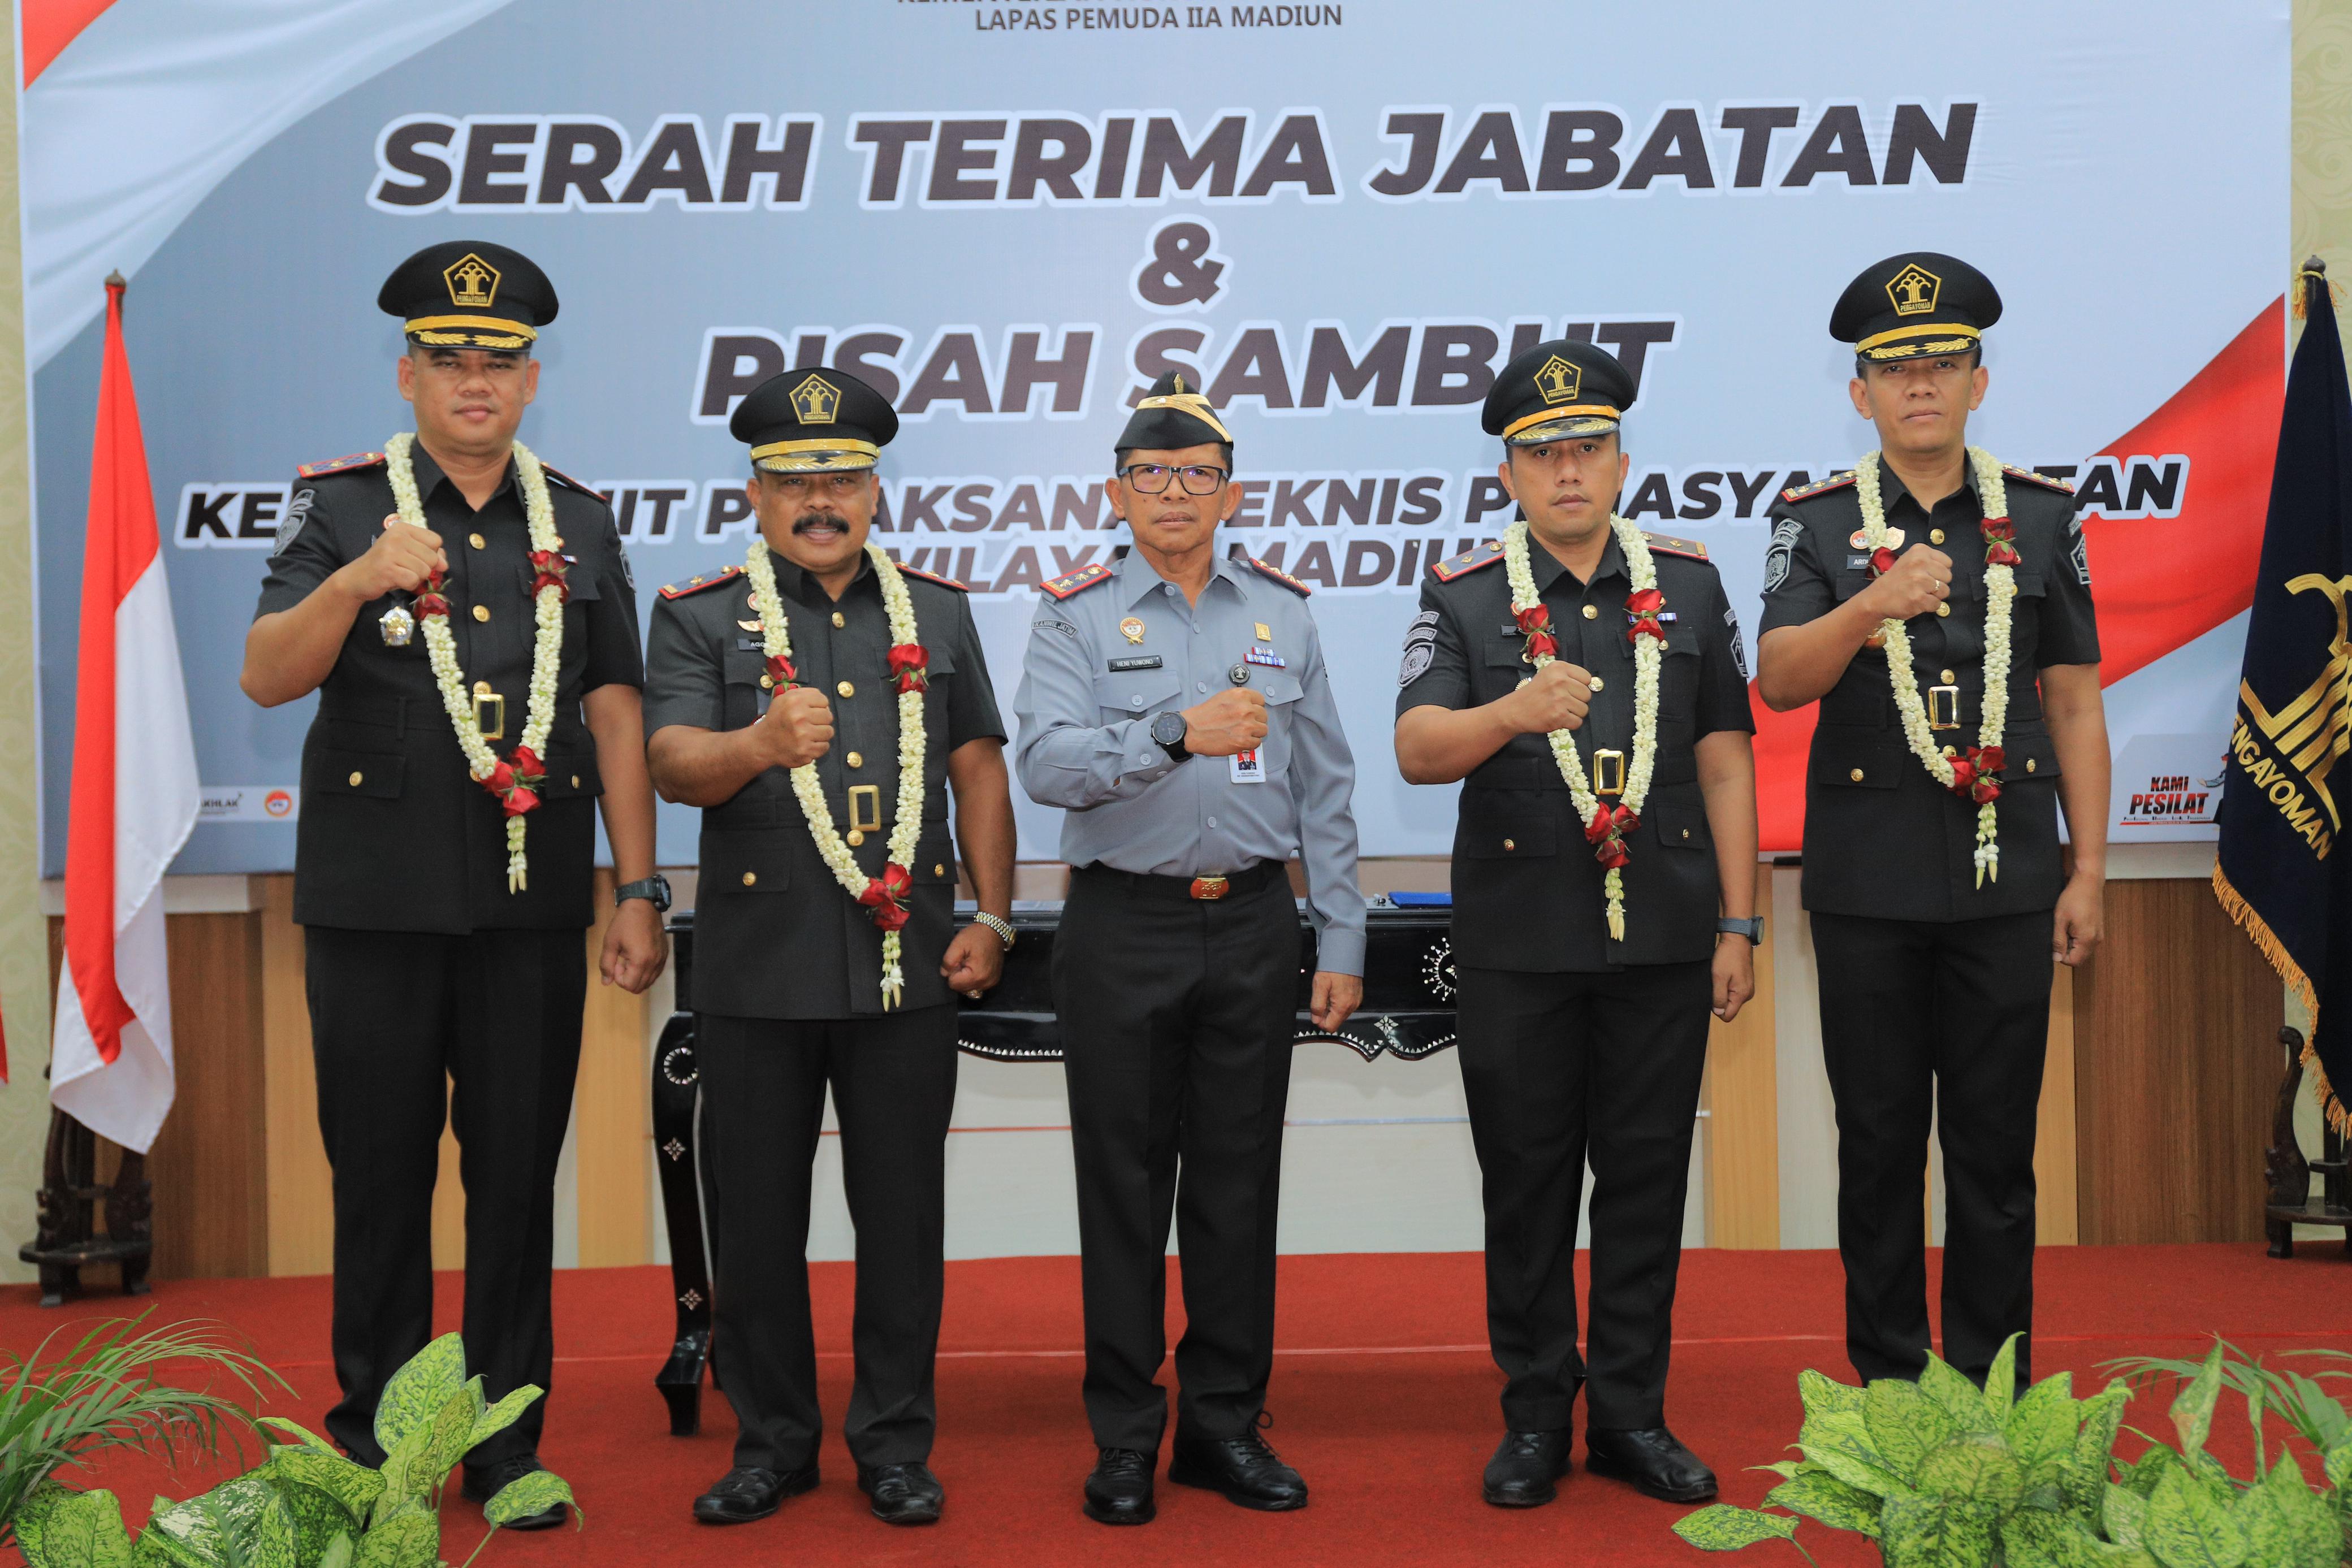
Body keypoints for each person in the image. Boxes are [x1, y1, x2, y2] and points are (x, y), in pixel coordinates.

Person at [240, 240, 665, 1528]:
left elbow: (614, 707)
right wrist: (366, 574)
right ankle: (376, 1443)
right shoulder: (341, 505)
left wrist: (638, 887)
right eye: (449, 359)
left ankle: (501, 1440)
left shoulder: (581, 521)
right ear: (410, 373)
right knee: (376, 1175)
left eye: (498, 361)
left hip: (529, 905)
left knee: (514, 1175)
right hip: (372, 903)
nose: (474, 380)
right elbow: (267, 673)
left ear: (531, 380)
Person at [644, 367, 1017, 1529]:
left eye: (845, 476)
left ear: (873, 490)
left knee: (902, 1217)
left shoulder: (937, 610)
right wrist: (755, 739)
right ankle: (773, 1443)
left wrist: (994, 916)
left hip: (907, 965)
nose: (823, 497)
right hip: (761, 966)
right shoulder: (702, 616)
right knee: (755, 1220)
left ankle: (895, 1444)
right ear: (756, 493)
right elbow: (667, 763)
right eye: (799, 478)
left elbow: (977, 771)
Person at [1395, 340, 1759, 1508]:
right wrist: (1509, 706)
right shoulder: (1460, 593)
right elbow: (1416, 749)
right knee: (1530, 1187)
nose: (1567, 470)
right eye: (1543, 453)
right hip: (1521, 944)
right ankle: (1536, 1418)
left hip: (1662, 933)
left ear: (1619, 460)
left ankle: (1634, 1420)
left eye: (1586, 448)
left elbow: (1724, 760)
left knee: (1646, 1183)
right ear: (1508, 471)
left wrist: (1740, 922)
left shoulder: (1690, 585)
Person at [1014, 372, 1364, 1524]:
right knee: (1121, 1188)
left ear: (1232, 491)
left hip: (1258, 921)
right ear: (1117, 491)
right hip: (1124, 921)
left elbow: (1326, 783)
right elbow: (1049, 765)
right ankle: (1124, 1437)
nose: (1174, 493)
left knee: (1234, 1186)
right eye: (1151, 475)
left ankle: (1223, 1424)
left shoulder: (1283, 609)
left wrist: (1341, 932)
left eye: (1197, 476)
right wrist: (1169, 730)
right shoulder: (1072, 611)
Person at [1756, 253, 2107, 1392]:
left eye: (1942, 365)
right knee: (1877, 1150)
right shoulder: (1815, 526)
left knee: (1996, 1154)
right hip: (1866, 886)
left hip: (2008, 879)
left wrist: (2089, 871)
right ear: (1857, 392)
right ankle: (1893, 1394)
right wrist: (1868, 602)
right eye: (1893, 369)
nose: (1919, 386)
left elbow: (2071, 700)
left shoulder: (2045, 518)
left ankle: (1991, 1389)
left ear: (1977, 384)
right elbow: (1778, 681)